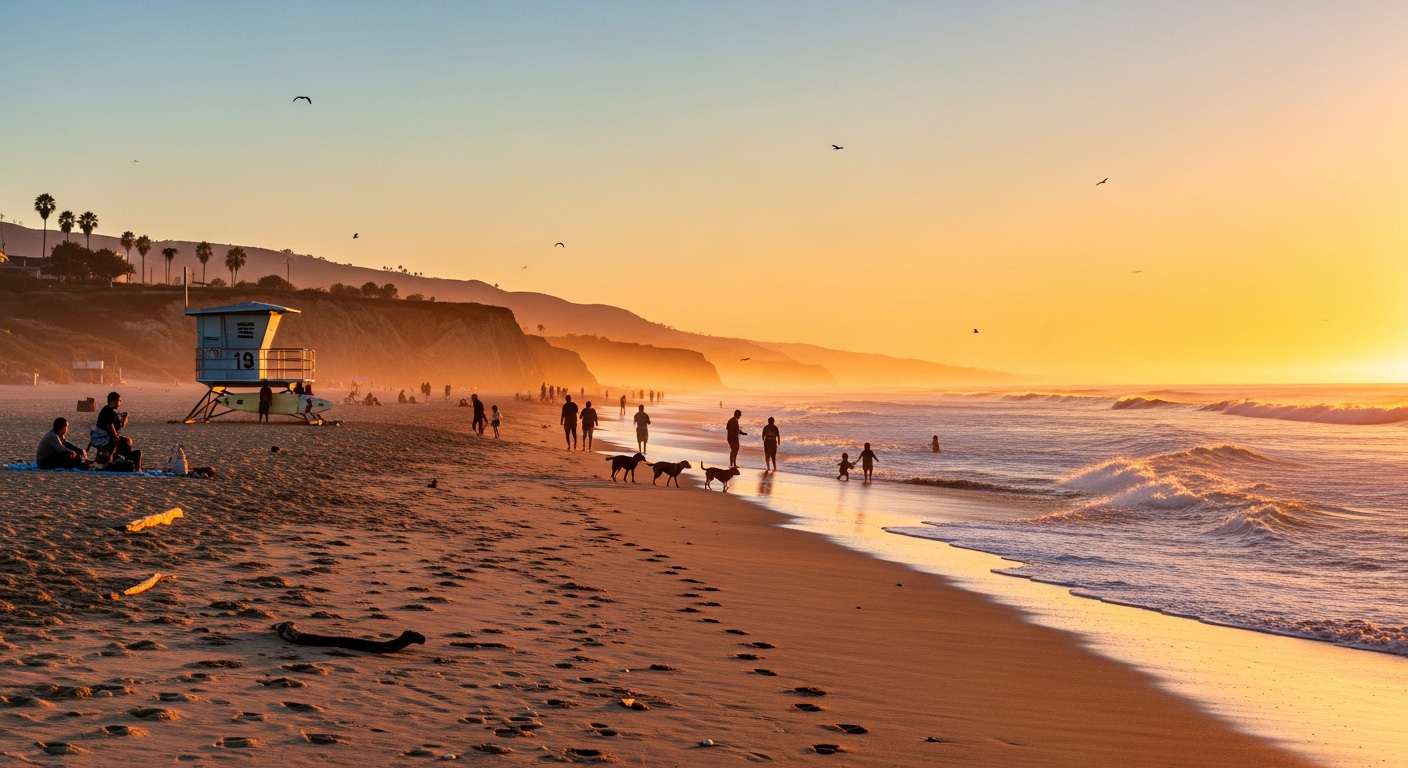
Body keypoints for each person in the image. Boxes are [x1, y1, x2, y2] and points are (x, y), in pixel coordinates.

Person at [95, 391, 141, 470]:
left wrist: (124, 418)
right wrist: (116, 436)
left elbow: (121, 425)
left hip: (105, 437)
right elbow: (110, 425)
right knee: (130, 447)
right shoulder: (109, 411)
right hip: (106, 438)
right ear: (113, 401)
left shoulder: (110, 410)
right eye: (119, 401)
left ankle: (125, 461)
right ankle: (136, 468)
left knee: (128, 441)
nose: (120, 403)